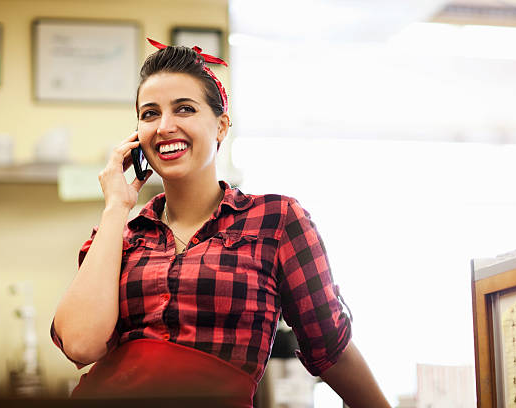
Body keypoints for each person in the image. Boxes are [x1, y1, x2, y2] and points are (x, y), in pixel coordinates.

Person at [51, 38, 390, 408]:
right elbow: (80, 345)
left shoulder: (276, 222)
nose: (165, 126)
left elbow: (332, 351)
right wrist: (116, 206)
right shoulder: (121, 234)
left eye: (184, 109)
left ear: (221, 126)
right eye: (150, 114)